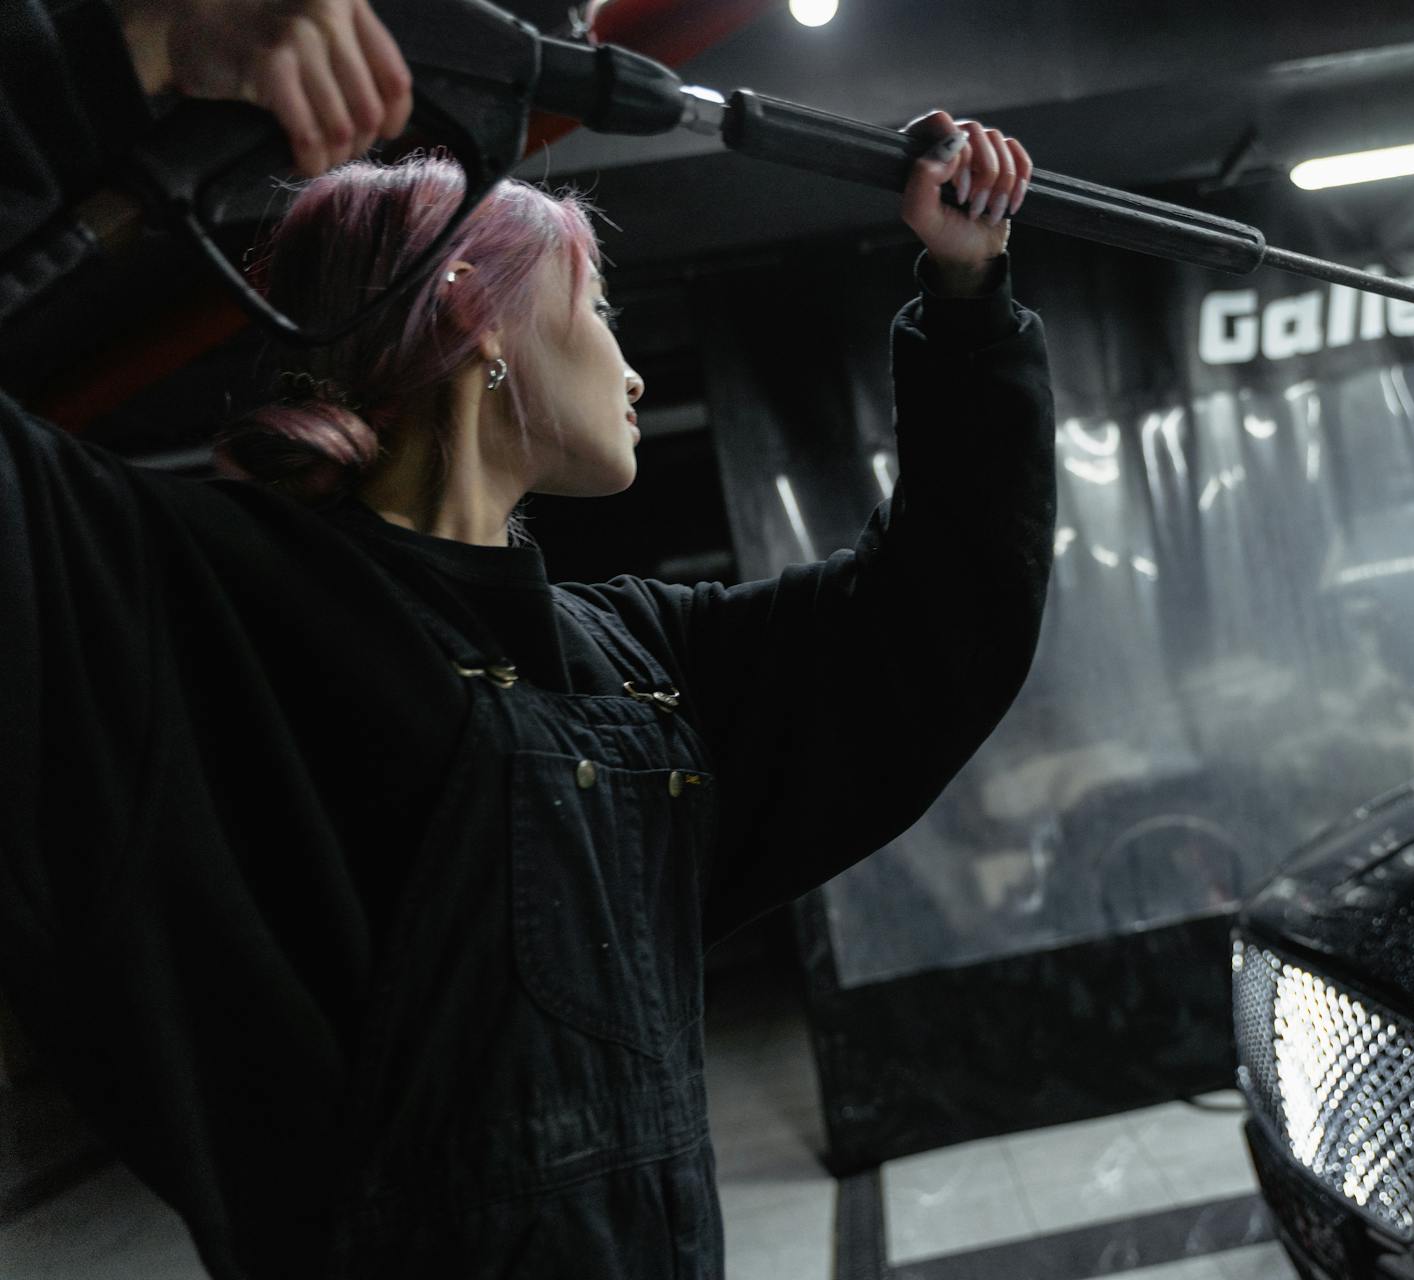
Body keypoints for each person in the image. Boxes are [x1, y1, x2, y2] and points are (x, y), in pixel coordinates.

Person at [0, 1, 1056, 1276]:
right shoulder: (185, 605)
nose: (632, 371)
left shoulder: (628, 660)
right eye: (597, 303)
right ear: (474, 313)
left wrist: (966, 301)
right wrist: (131, 47)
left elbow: (933, 621)